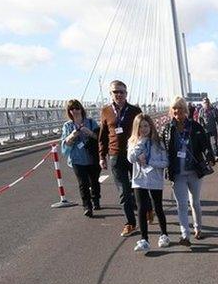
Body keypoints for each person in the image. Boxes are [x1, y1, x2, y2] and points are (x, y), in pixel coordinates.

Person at [161, 96, 212, 247]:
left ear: (186, 110)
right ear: (172, 110)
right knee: (181, 205)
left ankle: (198, 229)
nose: (177, 111)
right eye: (174, 108)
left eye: (180, 108)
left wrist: (209, 155)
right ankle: (185, 235)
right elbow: (162, 147)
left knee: (195, 202)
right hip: (177, 173)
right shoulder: (167, 128)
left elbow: (205, 144)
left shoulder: (195, 127)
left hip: (194, 172)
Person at [98, 80, 143, 237]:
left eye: (121, 92)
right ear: (110, 94)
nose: (118, 94)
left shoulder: (135, 110)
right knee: (124, 191)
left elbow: (144, 131)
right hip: (115, 156)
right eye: (115, 92)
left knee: (140, 188)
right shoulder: (105, 111)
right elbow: (102, 135)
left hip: (134, 154)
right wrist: (101, 156)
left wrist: (145, 151)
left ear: (126, 93)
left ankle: (149, 209)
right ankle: (130, 223)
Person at [127, 114, 171, 252]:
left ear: (150, 126)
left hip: (155, 179)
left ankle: (164, 235)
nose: (143, 129)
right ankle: (144, 239)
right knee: (141, 209)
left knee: (158, 207)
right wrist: (140, 143)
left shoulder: (158, 142)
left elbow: (165, 162)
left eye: (146, 126)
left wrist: (150, 162)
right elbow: (131, 158)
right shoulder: (133, 141)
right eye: (140, 127)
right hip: (139, 179)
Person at [59, 99, 101, 217]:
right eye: (72, 109)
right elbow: (64, 143)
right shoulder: (67, 126)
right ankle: (87, 206)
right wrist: (72, 136)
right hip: (77, 159)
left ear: (81, 109)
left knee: (94, 181)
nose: (75, 111)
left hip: (92, 157)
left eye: (77, 108)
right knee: (83, 183)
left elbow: (100, 138)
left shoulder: (91, 123)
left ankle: (96, 199)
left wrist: (89, 132)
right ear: (69, 111)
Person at [195, 97, 218, 163]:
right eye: (205, 102)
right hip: (205, 130)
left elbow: (217, 119)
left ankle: (216, 155)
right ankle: (211, 157)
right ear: (203, 103)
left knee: (214, 143)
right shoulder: (201, 110)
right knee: (207, 144)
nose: (206, 103)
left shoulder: (213, 110)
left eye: (207, 102)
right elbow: (199, 119)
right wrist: (200, 129)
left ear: (209, 102)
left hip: (213, 129)